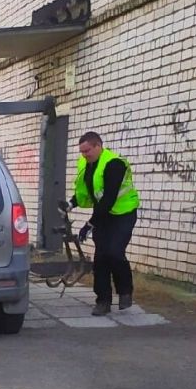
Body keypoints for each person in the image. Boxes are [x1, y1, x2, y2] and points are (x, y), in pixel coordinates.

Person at [71, 131, 141, 316]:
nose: (84, 155)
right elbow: (88, 190)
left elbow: (109, 197)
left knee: (115, 252)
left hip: (123, 213)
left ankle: (125, 291)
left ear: (98, 146)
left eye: (87, 151)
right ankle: (102, 300)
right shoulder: (86, 163)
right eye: (82, 152)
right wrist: (71, 203)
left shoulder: (114, 164)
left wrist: (90, 224)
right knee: (101, 257)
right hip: (103, 214)